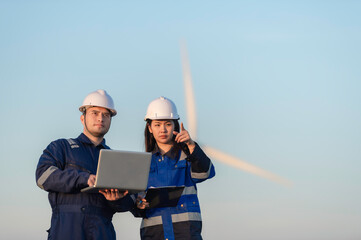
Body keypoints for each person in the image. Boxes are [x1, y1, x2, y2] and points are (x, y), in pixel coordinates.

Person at [36, 89, 135, 240]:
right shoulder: (62, 147)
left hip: (102, 233)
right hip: (66, 231)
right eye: (95, 113)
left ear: (110, 120)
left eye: (106, 115)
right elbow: (43, 177)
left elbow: (128, 204)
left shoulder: (115, 160)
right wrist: (84, 178)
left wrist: (117, 199)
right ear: (83, 118)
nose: (100, 118)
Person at [134, 96, 216, 240]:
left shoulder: (188, 155)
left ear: (175, 126)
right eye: (157, 124)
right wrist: (138, 203)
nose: (163, 129)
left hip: (186, 234)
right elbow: (135, 202)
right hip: (155, 235)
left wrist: (191, 145)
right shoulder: (143, 163)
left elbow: (206, 172)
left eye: (168, 124)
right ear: (150, 128)